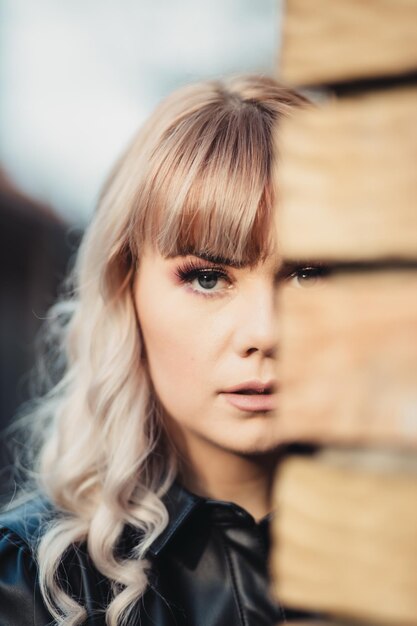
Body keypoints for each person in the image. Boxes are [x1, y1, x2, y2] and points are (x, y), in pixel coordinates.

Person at [0, 75, 318, 625]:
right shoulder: (31, 585)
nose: (264, 333)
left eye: (309, 274)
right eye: (208, 278)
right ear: (126, 289)